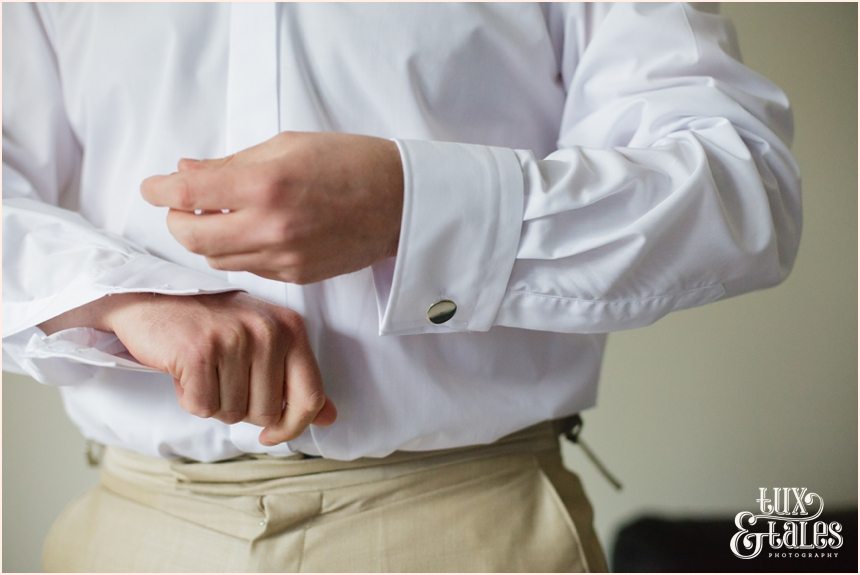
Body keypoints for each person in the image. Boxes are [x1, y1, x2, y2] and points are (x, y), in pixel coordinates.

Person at [2, 2, 801, 572]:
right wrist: (121, 298)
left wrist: (410, 209)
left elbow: (740, 183)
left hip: (475, 535)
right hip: (134, 537)